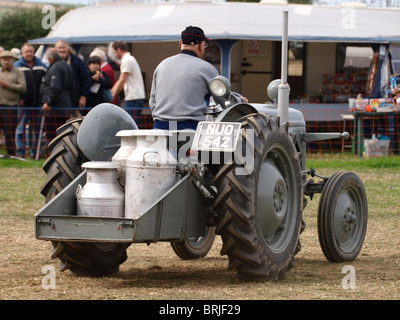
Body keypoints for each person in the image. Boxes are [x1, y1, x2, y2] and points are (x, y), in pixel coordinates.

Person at [149, 26, 237, 130]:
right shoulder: (207, 68)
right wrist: (239, 100)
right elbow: (225, 101)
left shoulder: (161, 65)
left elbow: (152, 102)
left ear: (180, 43)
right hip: (190, 128)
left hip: (160, 128)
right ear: (201, 45)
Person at [14, 43, 47, 158]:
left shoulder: (41, 66)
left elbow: (46, 84)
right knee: (20, 130)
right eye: (26, 52)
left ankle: (35, 153)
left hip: (38, 104)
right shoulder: (17, 66)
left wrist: (44, 100)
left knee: (37, 130)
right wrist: (19, 98)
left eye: (31, 51)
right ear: (22, 53)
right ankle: (20, 152)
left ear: (34, 53)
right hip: (23, 105)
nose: (29, 54)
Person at [40, 47, 74, 142]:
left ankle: (52, 155)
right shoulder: (67, 66)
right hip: (66, 106)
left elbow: (55, 87)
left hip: (55, 108)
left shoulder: (55, 68)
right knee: (64, 135)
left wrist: (48, 102)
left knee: (52, 136)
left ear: (50, 58)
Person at [111, 41, 145, 124]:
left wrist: (111, 96)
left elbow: (122, 80)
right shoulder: (129, 59)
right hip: (135, 97)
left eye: (114, 52)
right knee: (132, 123)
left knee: (130, 124)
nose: (114, 55)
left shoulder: (127, 60)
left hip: (133, 97)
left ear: (119, 50)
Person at [0, 50, 26, 156]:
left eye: (8, 60)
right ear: (1, 61)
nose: (6, 62)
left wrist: (7, 85)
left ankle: (11, 154)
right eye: (4, 60)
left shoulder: (18, 72)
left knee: (9, 131)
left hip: (11, 106)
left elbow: (23, 87)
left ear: (12, 60)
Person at [55, 39, 91, 116]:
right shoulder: (54, 62)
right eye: (59, 48)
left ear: (68, 48)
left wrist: (83, 96)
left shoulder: (77, 61)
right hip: (60, 102)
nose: (61, 50)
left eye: (63, 47)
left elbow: (86, 79)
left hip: (76, 100)